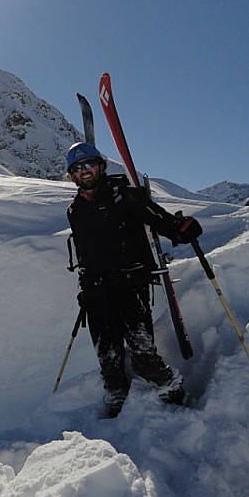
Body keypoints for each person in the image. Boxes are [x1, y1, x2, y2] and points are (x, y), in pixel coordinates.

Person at [65, 142, 202, 418]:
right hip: (96, 291)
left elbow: (157, 218)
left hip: (129, 286)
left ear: (101, 166)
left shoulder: (124, 195)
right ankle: (116, 397)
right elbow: (83, 252)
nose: (84, 171)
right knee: (108, 355)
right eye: (77, 168)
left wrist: (180, 229)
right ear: (72, 175)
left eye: (89, 164)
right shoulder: (74, 210)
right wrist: (84, 284)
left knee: (142, 352)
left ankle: (172, 392)